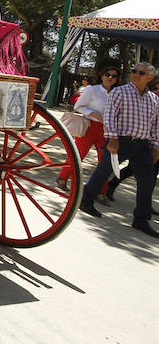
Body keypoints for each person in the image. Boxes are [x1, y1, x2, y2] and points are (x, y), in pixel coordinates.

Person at [78, 63, 159, 238]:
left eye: (141, 72)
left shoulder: (154, 99)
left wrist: (156, 147)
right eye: (134, 71)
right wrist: (112, 138)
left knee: (147, 181)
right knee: (103, 171)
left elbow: (156, 125)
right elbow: (109, 115)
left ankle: (141, 220)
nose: (136, 74)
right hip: (120, 141)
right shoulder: (119, 92)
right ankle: (85, 200)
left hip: (144, 145)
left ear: (150, 78)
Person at [55, 65, 119, 199]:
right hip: (89, 127)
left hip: (107, 130)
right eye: (108, 74)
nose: (110, 78)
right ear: (102, 75)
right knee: (78, 156)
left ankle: (101, 192)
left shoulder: (117, 93)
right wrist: (95, 115)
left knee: (105, 161)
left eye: (114, 76)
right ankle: (62, 178)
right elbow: (78, 106)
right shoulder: (93, 90)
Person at [105, 77, 159, 204]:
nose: (157, 91)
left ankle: (112, 185)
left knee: (147, 174)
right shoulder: (149, 101)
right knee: (141, 172)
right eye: (155, 88)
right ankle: (110, 185)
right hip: (145, 143)